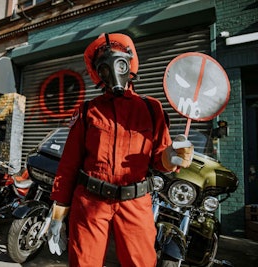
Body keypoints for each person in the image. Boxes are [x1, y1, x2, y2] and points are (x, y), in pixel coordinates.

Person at [47, 33, 194, 266]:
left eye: (119, 63)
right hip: (90, 202)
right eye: (104, 68)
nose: (113, 72)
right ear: (99, 73)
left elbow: (159, 158)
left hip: (136, 203)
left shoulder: (151, 108)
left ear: (129, 65)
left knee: (141, 262)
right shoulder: (88, 111)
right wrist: (58, 211)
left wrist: (171, 156)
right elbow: (69, 164)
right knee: (84, 262)